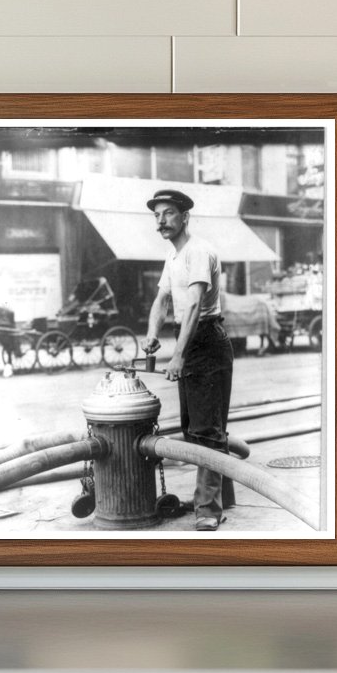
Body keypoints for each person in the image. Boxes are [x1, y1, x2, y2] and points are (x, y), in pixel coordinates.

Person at [141, 189, 234, 532]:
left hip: (207, 341)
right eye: (156, 215)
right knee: (196, 427)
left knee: (207, 431)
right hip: (191, 338)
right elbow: (162, 299)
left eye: (167, 213)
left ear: (184, 217)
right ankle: (226, 496)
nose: (161, 220)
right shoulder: (174, 257)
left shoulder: (198, 251)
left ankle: (208, 509)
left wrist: (177, 355)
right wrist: (152, 333)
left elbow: (194, 306)